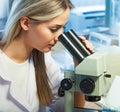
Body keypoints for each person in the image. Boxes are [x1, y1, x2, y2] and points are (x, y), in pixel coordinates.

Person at [0, 0, 93, 112]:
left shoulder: (42, 56)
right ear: (25, 23)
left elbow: (64, 108)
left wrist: (80, 70)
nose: (59, 37)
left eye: (63, 28)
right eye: (54, 29)